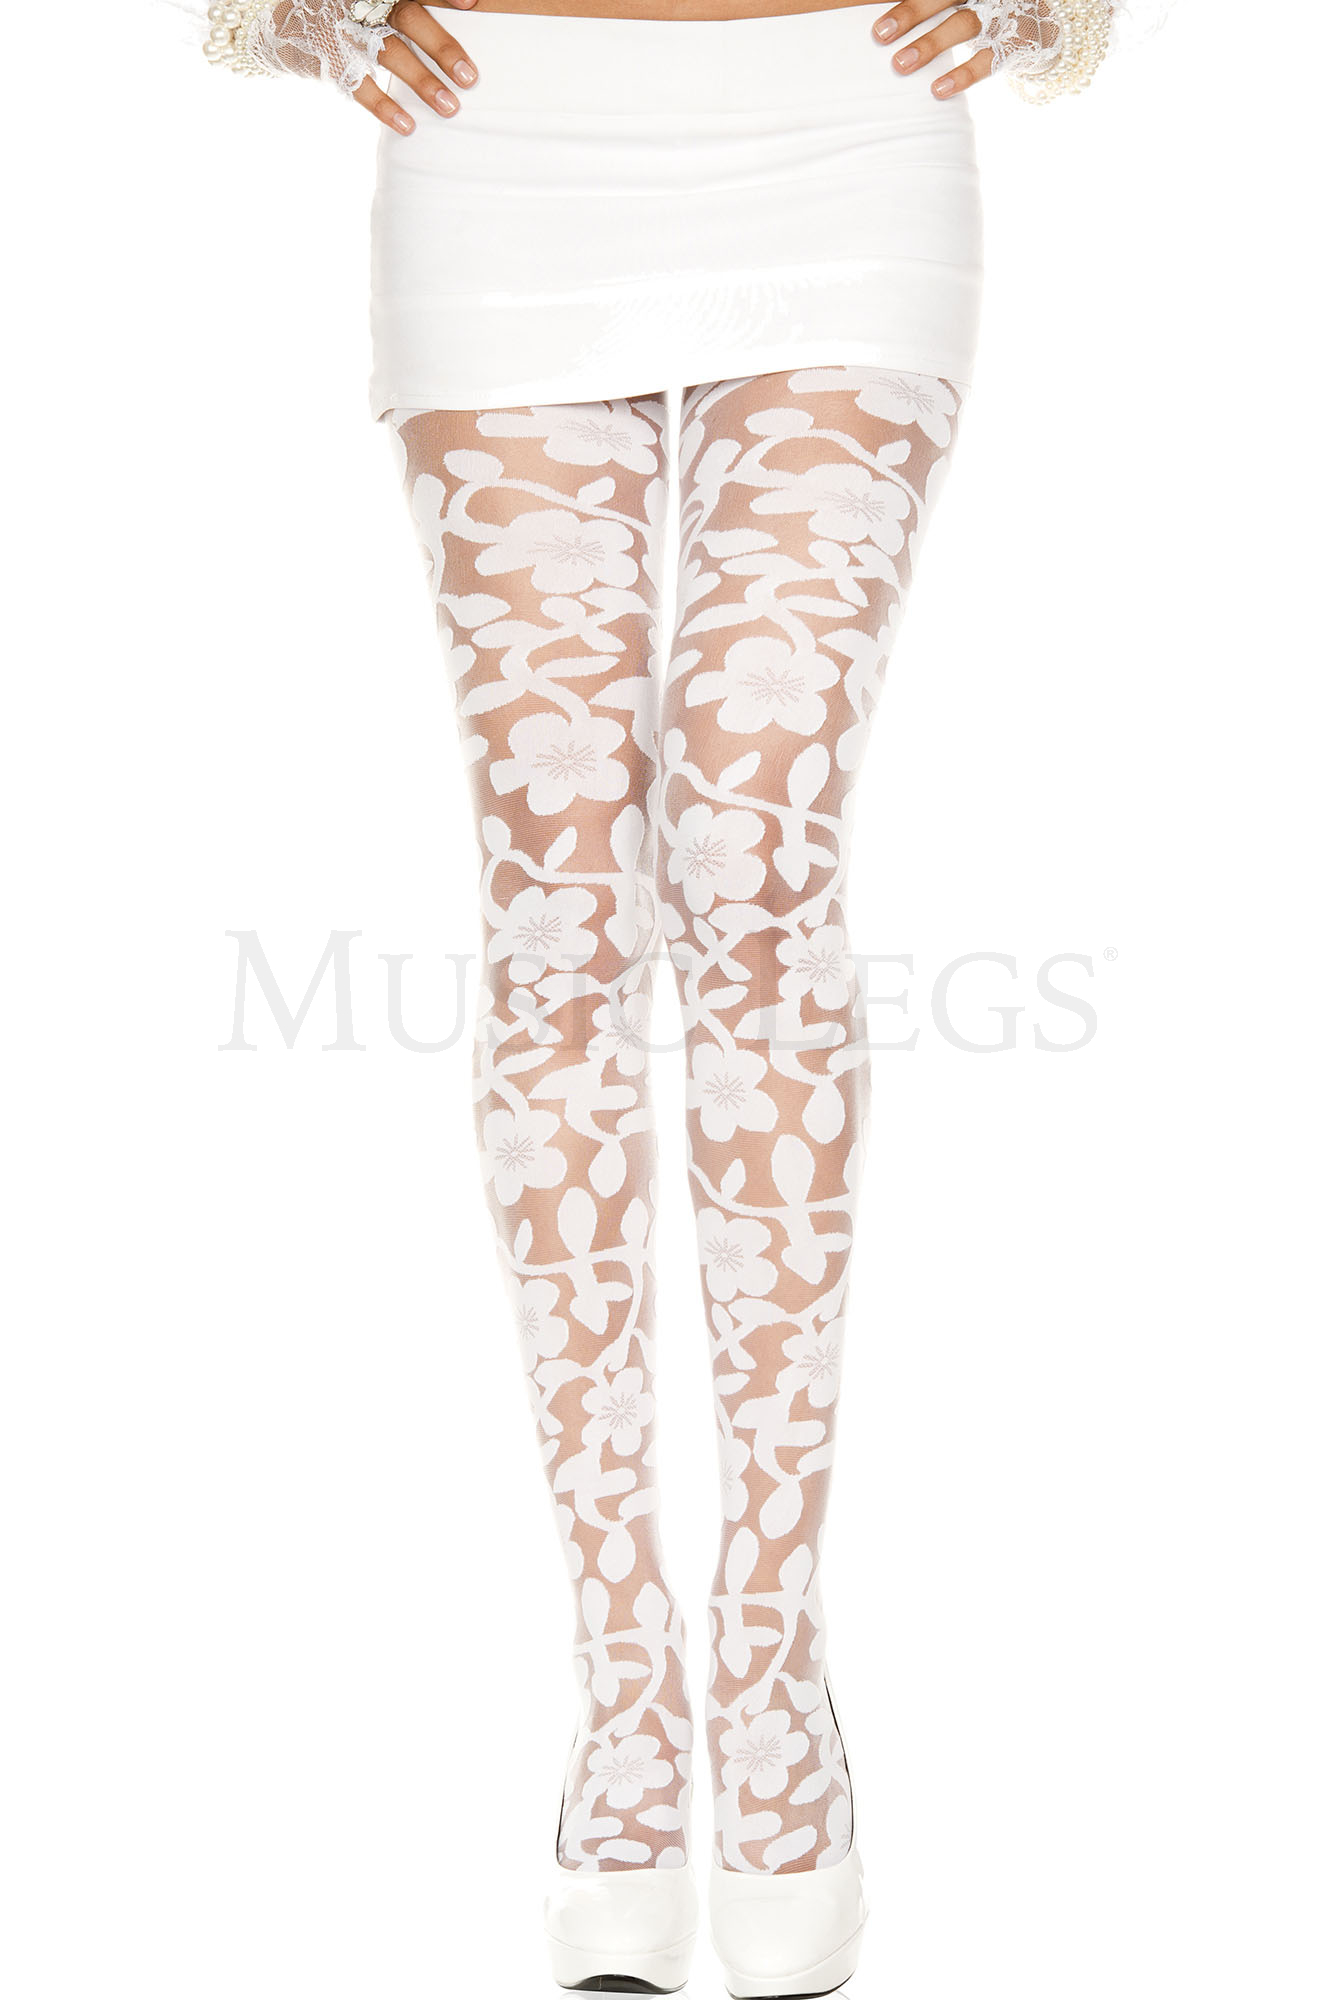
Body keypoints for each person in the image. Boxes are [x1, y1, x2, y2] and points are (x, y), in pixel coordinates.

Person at [178, 3, 1169, 1992]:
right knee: (556, 884)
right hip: (498, 139)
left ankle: (774, 1670)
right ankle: (625, 1686)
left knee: (752, 846)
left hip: (843, 131)